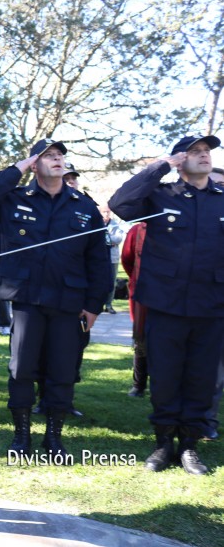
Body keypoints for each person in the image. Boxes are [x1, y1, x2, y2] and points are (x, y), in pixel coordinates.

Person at [0, 139, 110, 459]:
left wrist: (93, 305)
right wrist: (16, 168)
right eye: (48, 156)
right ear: (34, 164)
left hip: (68, 302)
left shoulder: (83, 205)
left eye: (60, 155)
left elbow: (98, 261)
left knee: (61, 371)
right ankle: (22, 434)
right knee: (21, 369)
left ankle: (53, 436)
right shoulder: (14, 199)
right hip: (27, 299)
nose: (57, 159)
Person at [109, 134, 224, 475]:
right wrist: (160, 167)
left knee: (201, 380)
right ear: (179, 159)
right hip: (165, 304)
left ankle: (189, 447)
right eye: (195, 152)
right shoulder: (160, 195)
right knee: (165, 378)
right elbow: (121, 203)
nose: (204, 156)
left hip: (212, 306)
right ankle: (163, 445)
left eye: (207, 152)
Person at [121, 222, 148, 398]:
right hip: (142, 295)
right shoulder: (138, 230)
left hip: (172, 296)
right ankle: (139, 385)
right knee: (141, 341)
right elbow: (127, 259)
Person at [101, 206, 124, 314]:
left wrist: (106, 239)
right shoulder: (96, 222)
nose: (106, 214)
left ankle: (109, 304)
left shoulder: (115, 224)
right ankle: (98, 304)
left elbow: (118, 238)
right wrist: (109, 241)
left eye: (108, 212)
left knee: (112, 282)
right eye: (104, 212)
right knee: (99, 281)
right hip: (99, 257)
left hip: (112, 258)